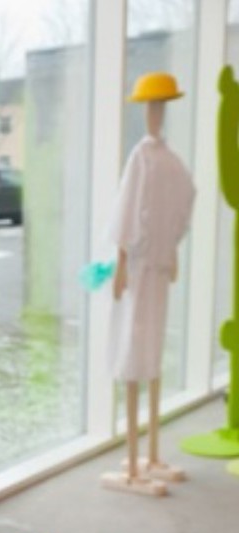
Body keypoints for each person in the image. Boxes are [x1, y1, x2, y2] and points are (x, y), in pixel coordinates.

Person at [100, 71, 196, 497]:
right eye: (151, 107)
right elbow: (131, 212)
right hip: (142, 268)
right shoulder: (148, 157)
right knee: (137, 351)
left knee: (146, 350)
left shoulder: (163, 159)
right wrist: (123, 263)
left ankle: (150, 454)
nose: (155, 114)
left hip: (151, 268)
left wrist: (169, 249)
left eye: (160, 107)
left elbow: (174, 204)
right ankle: (138, 457)